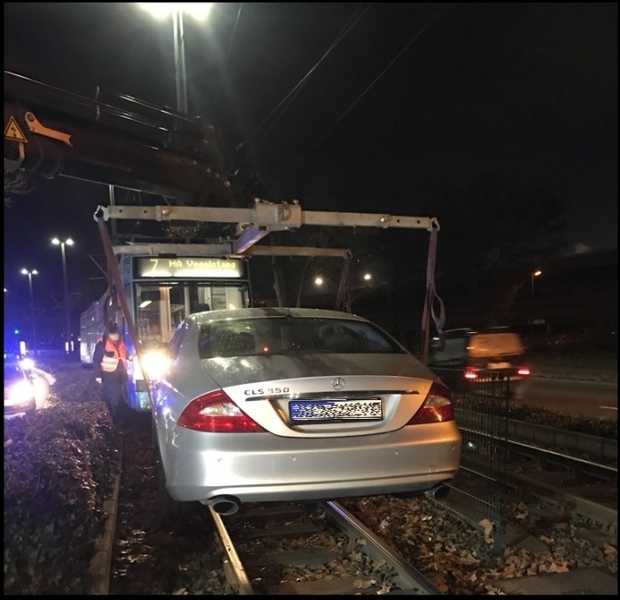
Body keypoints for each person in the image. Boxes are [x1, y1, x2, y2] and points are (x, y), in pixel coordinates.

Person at [93, 323, 128, 427]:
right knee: (114, 399)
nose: (115, 337)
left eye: (117, 334)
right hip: (109, 375)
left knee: (122, 397)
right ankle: (116, 421)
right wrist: (98, 376)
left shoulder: (121, 342)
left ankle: (120, 418)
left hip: (122, 374)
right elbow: (96, 361)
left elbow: (125, 354)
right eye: (113, 335)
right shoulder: (102, 344)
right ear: (108, 334)